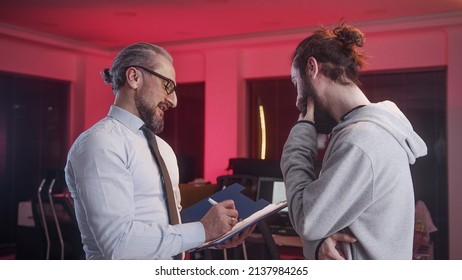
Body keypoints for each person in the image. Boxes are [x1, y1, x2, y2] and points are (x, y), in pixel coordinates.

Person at [65, 42, 249, 259]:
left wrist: (212, 236)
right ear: (134, 77)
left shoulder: (164, 149)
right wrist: (203, 230)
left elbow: (165, 231)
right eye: (167, 86)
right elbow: (119, 244)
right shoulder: (100, 143)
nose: (174, 101)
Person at [280, 23, 428, 260]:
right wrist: (317, 246)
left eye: (295, 83)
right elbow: (324, 227)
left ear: (312, 68)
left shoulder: (361, 141)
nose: (298, 100)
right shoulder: (366, 132)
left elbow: (307, 220)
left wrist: (300, 136)